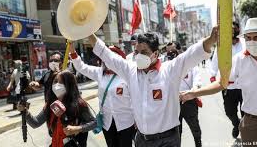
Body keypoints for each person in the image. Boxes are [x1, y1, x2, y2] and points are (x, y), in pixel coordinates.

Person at [87, 29, 217, 147]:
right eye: (137, 52)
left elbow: (193, 53)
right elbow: (105, 53)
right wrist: (86, 30)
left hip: (168, 140)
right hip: (142, 140)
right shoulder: (130, 71)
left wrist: (211, 39)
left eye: (144, 52)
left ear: (155, 53)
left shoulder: (171, 70)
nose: (138, 56)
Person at [180, 18, 257, 146]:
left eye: (256, 37)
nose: (251, 41)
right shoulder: (239, 61)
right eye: (248, 38)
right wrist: (194, 93)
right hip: (253, 125)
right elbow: (221, 83)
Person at [69, 44, 135, 147]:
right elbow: (81, 67)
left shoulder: (127, 73)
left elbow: (135, 99)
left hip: (126, 122)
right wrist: (72, 51)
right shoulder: (99, 73)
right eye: (105, 58)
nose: (107, 61)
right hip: (107, 122)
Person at [17, 70, 96, 147]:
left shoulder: (79, 104)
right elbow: (35, 123)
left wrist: (78, 128)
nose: (57, 85)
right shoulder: (50, 105)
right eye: (55, 82)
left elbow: (94, 123)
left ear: (69, 84)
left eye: (61, 82)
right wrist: (25, 111)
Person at [209, 22, 245, 138]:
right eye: (230, 30)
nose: (232, 32)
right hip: (227, 86)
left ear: (238, 30)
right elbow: (215, 61)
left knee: (247, 112)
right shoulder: (221, 46)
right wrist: (212, 75)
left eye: (234, 29)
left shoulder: (245, 43)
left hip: (245, 85)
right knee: (229, 112)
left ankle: (246, 131)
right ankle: (237, 124)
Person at [167, 49, 203, 147]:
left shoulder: (191, 67)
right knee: (176, 131)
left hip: (189, 101)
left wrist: (192, 92)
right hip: (174, 103)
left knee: (194, 126)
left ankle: (198, 144)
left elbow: (197, 81)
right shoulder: (167, 69)